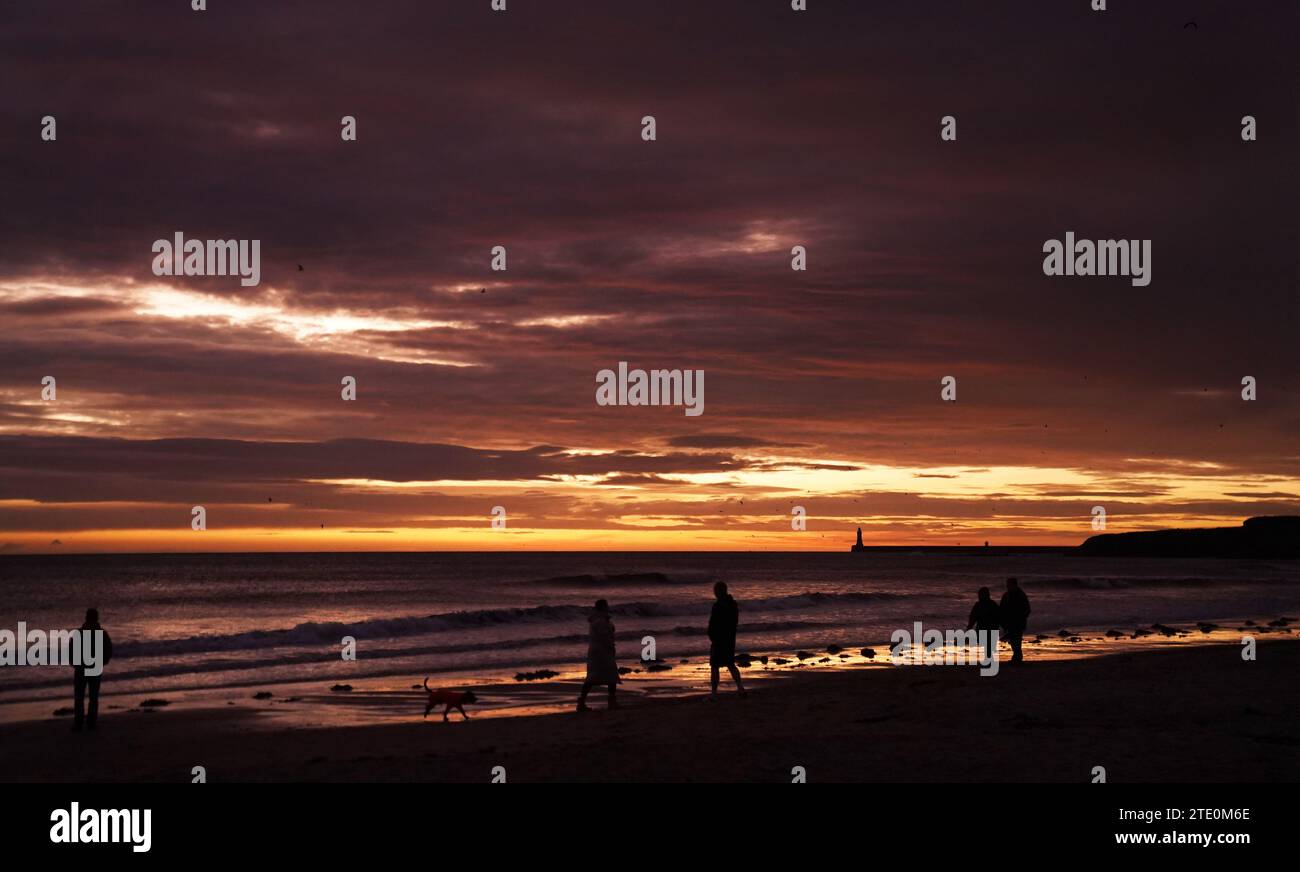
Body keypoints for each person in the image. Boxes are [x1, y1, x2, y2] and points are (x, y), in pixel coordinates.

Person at [73, 608, 112, 732]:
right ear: (96, 618)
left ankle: (80, 722)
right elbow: (108, 650)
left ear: (86, 618)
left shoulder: (79, 632)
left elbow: (71, 650)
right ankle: (91, 722)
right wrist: (103, 662)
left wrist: (74, 663)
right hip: (93, 667)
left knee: (80, 697)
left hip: (81, 668)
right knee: (93, 697)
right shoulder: (101, 633)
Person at [577, 599, 619, 711]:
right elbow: (604, 637)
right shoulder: (601, 621)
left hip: (596, 651)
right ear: (604, 607)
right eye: (606, 606)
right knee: (611, 675)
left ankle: (581, 701)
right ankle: (611, 701)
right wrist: (611, 647)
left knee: (593, 677)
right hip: (602, 651)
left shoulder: (598, 620)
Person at [707, 582, 746, 700]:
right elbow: (734, 623)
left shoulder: (718, 606)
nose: (714, 593)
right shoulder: (733, 604)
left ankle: (714, 694)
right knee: (730, 664)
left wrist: (712, 635)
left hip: (719, 640)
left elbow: (713, 623)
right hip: (729, 639)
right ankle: (740, 688)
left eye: (715, 590)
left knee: (714, 666)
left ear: (720, 591)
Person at [998, 578, 1031, 663]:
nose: (1007, 586)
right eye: (1007, 585)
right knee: (1013, 641)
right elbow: (1001, 609)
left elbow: (1027, 609)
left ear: (1014, 585)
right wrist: (1003, 621)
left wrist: (1022, 618)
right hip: (1010, 622)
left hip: (1018, 621)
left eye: (1009, 585)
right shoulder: (1006, 595)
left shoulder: (1020, 595)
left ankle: (1017, 658)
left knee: (1016, 640)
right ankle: (1017, 657)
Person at [966, 586, 1001, 662]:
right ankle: (989, 660)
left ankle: (988, 660)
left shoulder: (980, 605)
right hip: (990, 628)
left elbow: (973, 617)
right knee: (989, 646)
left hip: (985, 628)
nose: (979, 596)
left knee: (988, 646)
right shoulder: (992, 604)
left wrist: (969, 627)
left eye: (980, 594)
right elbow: (999, 616)